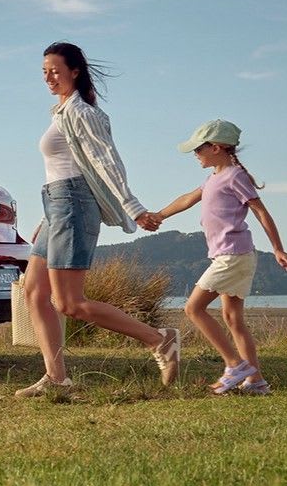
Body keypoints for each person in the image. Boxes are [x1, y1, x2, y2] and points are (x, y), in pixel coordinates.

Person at [15, 42, 180, 398]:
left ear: (74, 71)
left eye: (55, 71)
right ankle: (57, 378)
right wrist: (46, 220)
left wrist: (133, 206)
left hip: (72, 203)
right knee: (33, 291)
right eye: (44, 71)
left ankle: (159, 339)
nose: (48, 78)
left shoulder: (82, 113)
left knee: (69, 303)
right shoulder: (59, 112)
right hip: (56, 206)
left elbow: (107, 162)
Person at [157, 119, 287, 395]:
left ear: (217, 148)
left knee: (193, 309)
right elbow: (187, 198)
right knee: (233, 319)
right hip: (233, 256)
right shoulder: (213, 178)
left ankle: (234, 365)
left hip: (232, 256)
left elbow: (260, 212)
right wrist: (159, 215)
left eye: (199, 149)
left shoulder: (234, 176)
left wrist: (278, 248)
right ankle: (255, 381)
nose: (195, 154)